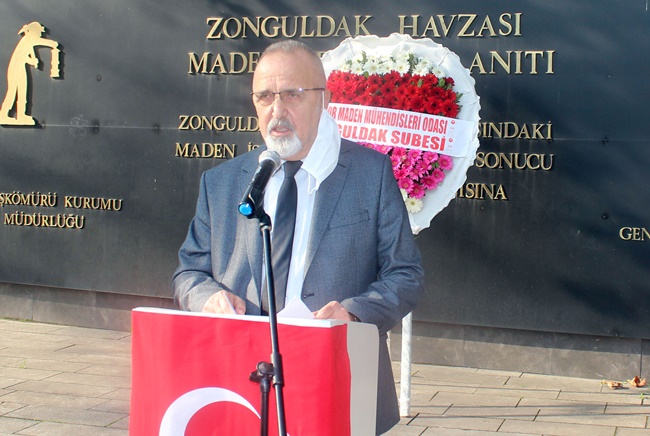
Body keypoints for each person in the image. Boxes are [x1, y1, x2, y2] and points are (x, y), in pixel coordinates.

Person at [173, 40, 424, 435]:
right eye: (265, 97)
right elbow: (189, 273)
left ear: (324, 99)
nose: (277, 111)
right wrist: (208, 298)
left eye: (292, 94)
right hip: (238, 384)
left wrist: (353, 313)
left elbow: (405, 275)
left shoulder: (370, 175)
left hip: (336, 379)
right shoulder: (222, 183)